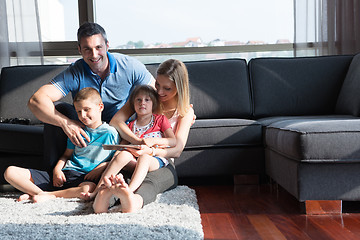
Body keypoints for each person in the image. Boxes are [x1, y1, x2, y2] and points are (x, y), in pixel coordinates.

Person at [3, 22, 154, 201]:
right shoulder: (75, 71)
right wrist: (67, 124)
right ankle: (55, 177)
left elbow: (155, 96)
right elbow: (36, 100)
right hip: (84, 128)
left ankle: (53, 193)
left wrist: (182, 113)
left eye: (99, 47)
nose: (94, 54)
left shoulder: (130, 66)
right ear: (79, 50)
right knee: (60, 109)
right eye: (87, 49)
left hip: (119, 128)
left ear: (107, 45)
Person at [92, 59, 194, 213]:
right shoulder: (147, 97)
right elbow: (116, 121)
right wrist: (139, 142)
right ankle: (102, 199)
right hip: (135, 156)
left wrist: (151, 151)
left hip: (162, 162)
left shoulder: (184, 111)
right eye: (157, 85)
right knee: (120, 180)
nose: (159, 92)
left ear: (179, 88)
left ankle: (133, 201)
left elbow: (177, 149)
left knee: (149, 183)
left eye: (167, 88)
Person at [4, 87, 119, 202]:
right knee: (10, 172)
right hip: (63, 175)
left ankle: (40, 194)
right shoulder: (76, 130)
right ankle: (42, 193)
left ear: (100, 107)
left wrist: (103, 166)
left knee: (89, 188)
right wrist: (57, 170)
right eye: (78, 111)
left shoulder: (111, 133)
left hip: (83, 179)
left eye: (86, 109)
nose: (82, 115)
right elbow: (66, 156)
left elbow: (117, 159)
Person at [86, 85, 176, 207]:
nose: (142, 103)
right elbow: (121, 147)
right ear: (133, 104)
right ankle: (96, 191)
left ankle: (130, 190)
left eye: (147, 100)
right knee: (123, 154)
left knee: (145, 156)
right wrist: (113, 159)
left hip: (155, 160)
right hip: (135, 161)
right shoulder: (130, 126)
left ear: (153, 103)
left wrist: (152, 142)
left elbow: (173, 141)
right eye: (138, 100)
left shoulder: (160, 120)